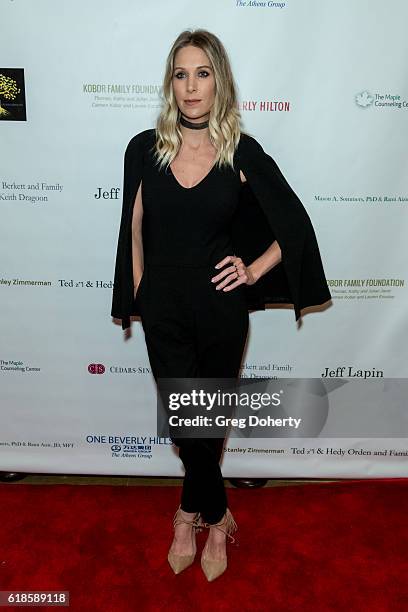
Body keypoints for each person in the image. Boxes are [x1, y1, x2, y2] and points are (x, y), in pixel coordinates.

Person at [111, 29, 331, 582]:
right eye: (181, 74)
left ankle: (190, 514)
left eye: (202, 73)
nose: (191, 86)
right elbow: (133, 224)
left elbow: (295, 226)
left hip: (220, 310)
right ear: (170, 83)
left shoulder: (240, 150)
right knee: (188, 420)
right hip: (164, 307)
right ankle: (216, 513)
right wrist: (140, 288)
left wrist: (253, 269)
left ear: (219, 82)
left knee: (206, 421)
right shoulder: (144, 147)